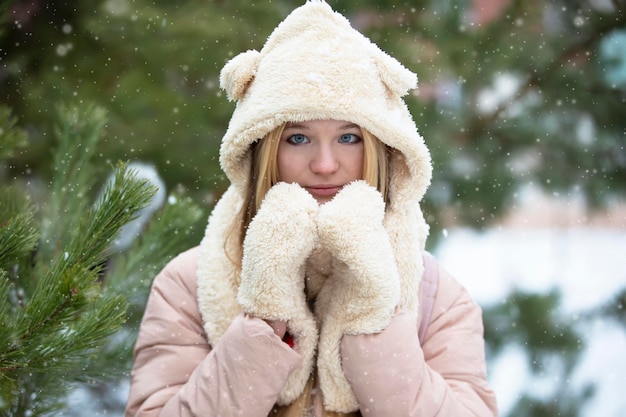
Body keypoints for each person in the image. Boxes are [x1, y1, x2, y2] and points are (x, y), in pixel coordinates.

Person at [125, 1, 499, 416]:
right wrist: (265, 314)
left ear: (383, 149)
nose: (324, 164)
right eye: (298, 138)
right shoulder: (187, 287)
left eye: (349, 138)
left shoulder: (436, 297)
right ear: (262, 152)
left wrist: (370, 307)